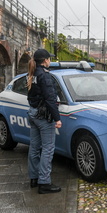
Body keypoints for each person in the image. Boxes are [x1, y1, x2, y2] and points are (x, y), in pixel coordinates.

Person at [26, 48, 62, 194]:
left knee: (34, 147)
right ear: (45, 60)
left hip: (33, 114)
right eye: (49, 59)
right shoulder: (45, 76)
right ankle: (44, 183)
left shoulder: (32, 73)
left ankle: (34, 178)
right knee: (48, 148)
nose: (50, 61)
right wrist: (57, 118)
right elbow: (50, 99)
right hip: (43, 116)